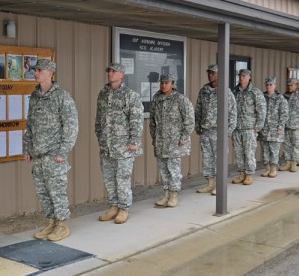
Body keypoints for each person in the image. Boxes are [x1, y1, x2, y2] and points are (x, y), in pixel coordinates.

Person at [23, 59, 78, 242]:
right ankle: (51, 222)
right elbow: (29, 124)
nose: (36, 73)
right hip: (38, 154)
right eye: (35, 70)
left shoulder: (62, 96)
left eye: (39, 70)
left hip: (54, 155)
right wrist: (27, 148)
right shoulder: (35, 96)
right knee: (43, 192)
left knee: (57, 191)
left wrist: (62, 152)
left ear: (50, 73)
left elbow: (71, 127)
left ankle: (62, 225)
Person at [95, 63, 143, 224]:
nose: (110, 73)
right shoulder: (103, 93)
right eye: (109, 71)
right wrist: (100, 136)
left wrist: (134, 141)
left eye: (114, 71)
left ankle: (123, 208)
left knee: (122, 179)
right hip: (106, 146)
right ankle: (113, 206)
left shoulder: (130, 95)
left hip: (123, 147)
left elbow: (136, 120)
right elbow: (99, 118)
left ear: (122, 75)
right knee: (109, 178)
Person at [150, 73, 194, 207]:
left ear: (173, 84)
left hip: (175, 141)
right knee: (163, 170)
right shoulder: (157, 98)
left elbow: (189, 120)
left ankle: (174, 195)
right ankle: (166, 194)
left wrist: (183, 137)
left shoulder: (181, 99)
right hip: (160, 141)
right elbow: (152, 121)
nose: (163, 85)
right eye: (162, 83)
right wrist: (154, 136)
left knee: (173, 170)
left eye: (167, 83)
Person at [194, 64, 237, 195]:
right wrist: (197, 125)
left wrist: (228, 131)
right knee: (207, 159)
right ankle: (210, 183)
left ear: (220, 74)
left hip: (219, 131)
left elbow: (233, 113)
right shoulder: (204, 90)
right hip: (206, 130)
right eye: (209, 73)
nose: (210, 75)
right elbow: (198, 109)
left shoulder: (226, 91)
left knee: (220, 159)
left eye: (213, 73)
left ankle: (220, 185)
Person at [232, 69, 266, 186]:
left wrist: (258, 126)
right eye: (240, 76)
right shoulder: (234, 92)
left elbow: (261, 110)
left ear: (249, 77)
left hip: (249, 128)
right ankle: (242, 174)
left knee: (249, 152)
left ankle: (249, 174)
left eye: (244, 76)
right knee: (238, 152)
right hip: (237, 128)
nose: (241, 78)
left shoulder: (255, 92)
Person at [260, 77, 288, 178]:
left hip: (275, 130)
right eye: (267, 85)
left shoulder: (280, 98)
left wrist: (280, 127)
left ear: (275, 86)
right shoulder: (262, 97)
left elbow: (284, 114)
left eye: (271, 85)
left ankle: (273, 169)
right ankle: (267, 168)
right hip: (264, 129)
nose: (268, 87)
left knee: (274, 151)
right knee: (265, 150)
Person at [280, 78, 299, 172]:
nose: (290, 87)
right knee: (286, 145)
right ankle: (287, 162)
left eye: (292, 85)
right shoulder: (284, 97)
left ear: (296, 86)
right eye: (288, 85)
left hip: (296, 126)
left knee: (296, 146)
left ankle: (294, 163)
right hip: (286, 126)